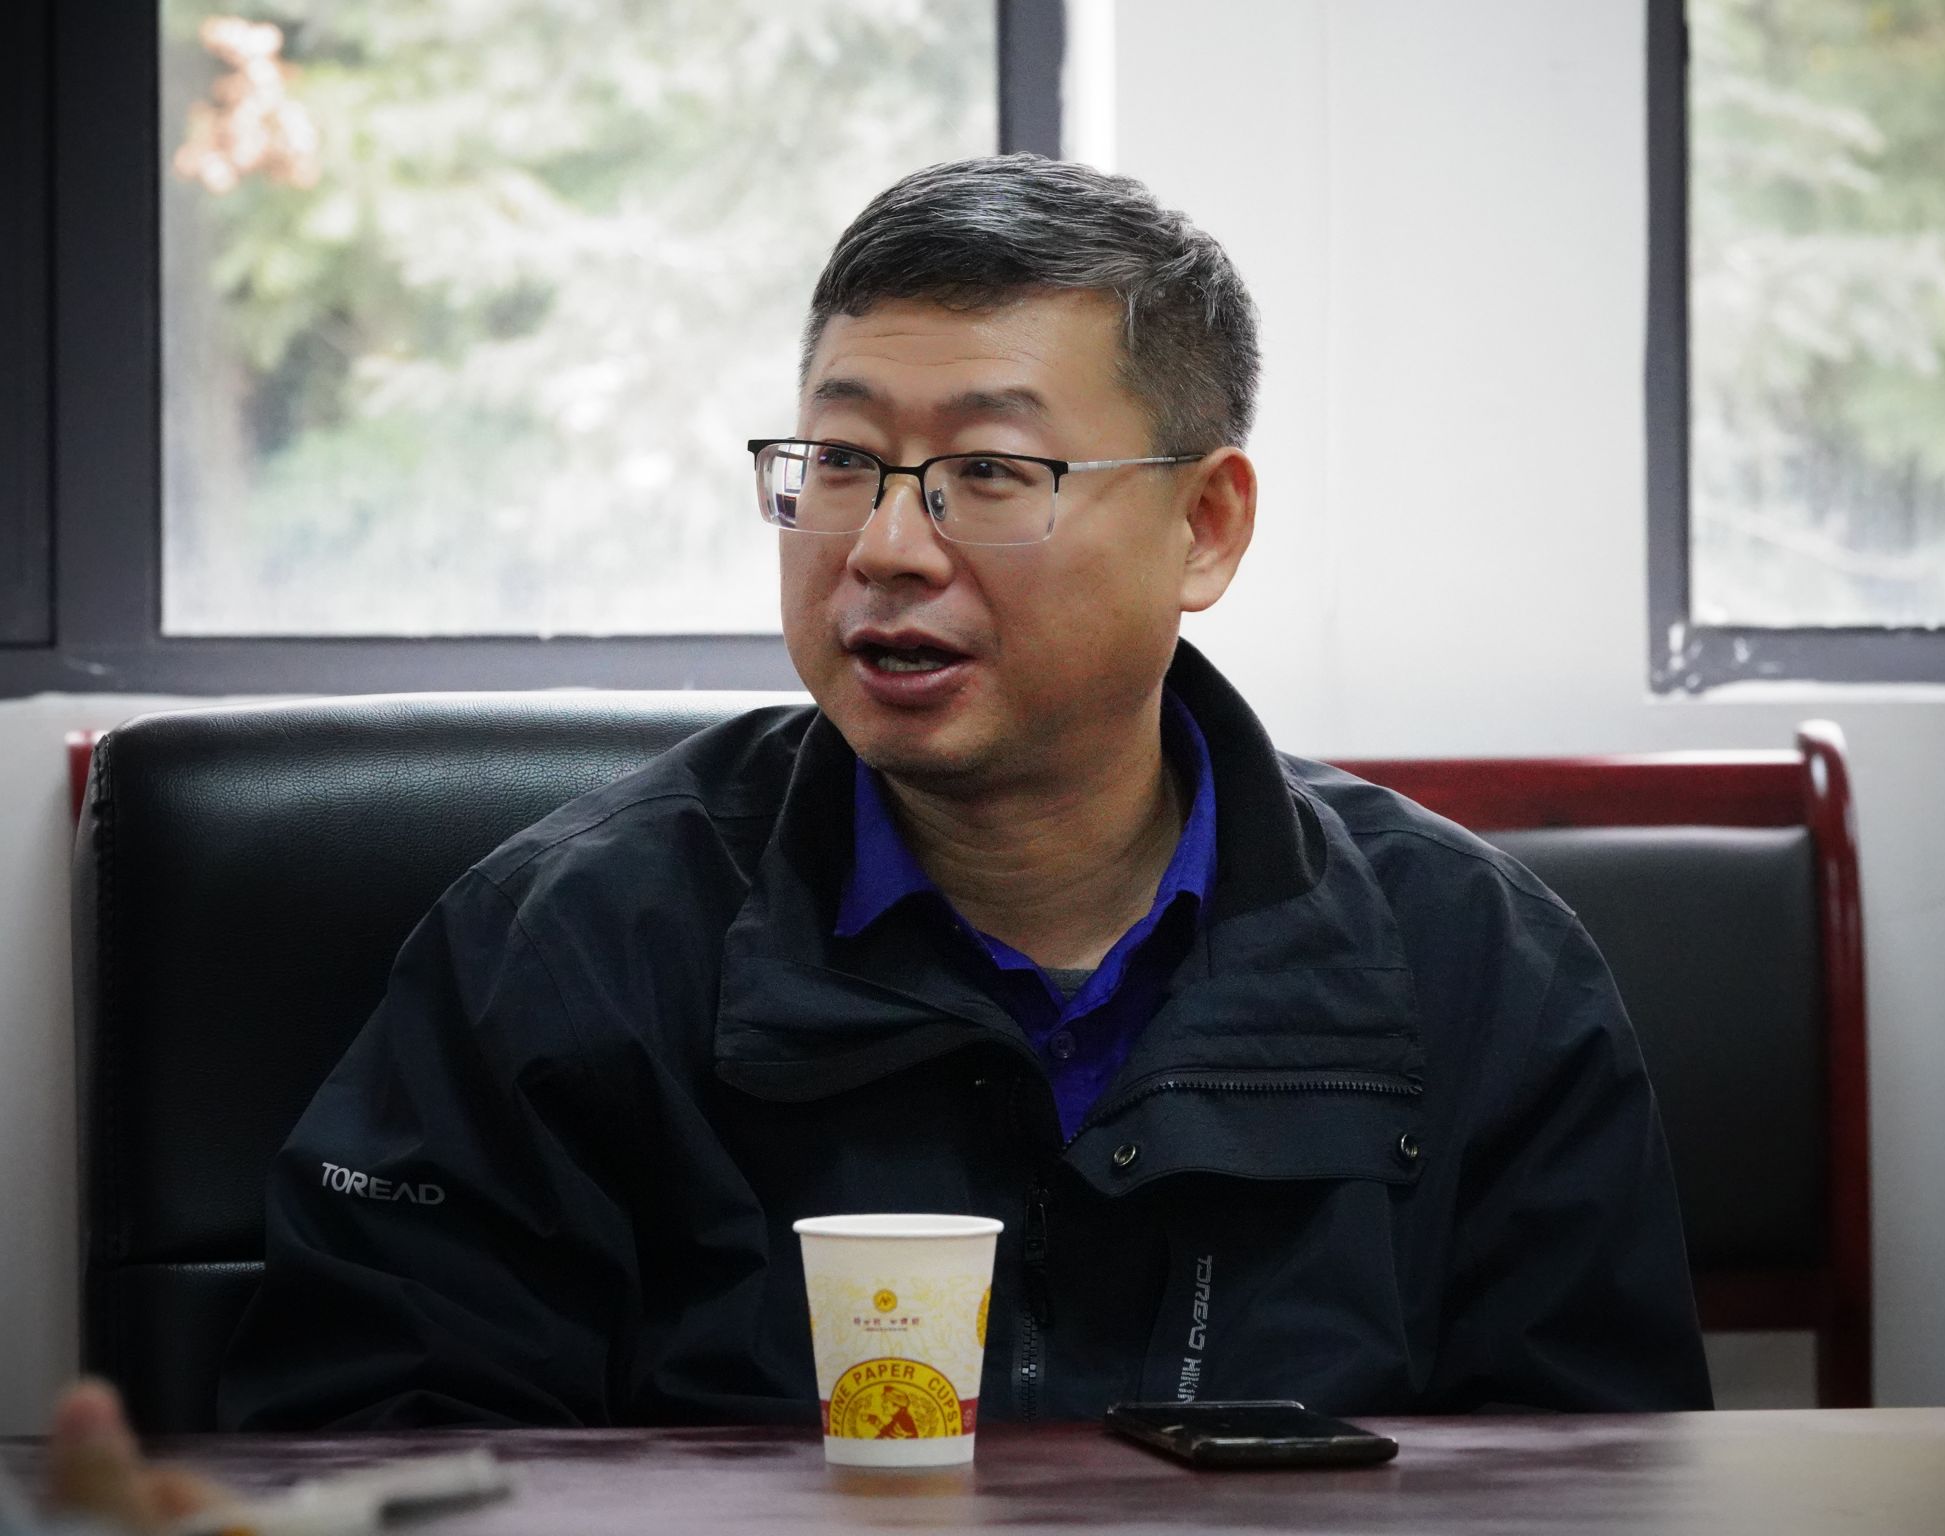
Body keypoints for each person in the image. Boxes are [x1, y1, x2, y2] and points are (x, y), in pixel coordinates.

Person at [44, 151, 1709, 1517]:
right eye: (841, 460)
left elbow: (1599, 1482)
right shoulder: (568, 950)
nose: (886, 548)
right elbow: (382, 1464)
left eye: (987, 471)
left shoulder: (1475, 967)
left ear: (1205, 524)